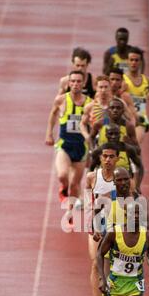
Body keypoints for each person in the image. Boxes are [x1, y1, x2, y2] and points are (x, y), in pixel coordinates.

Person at [45, 70, 92, 204]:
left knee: (75, 184)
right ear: (69, 83)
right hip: (64, 145)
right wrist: (49, 133)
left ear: (83, 84)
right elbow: (53, 114)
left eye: (78, 81)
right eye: (73, 81)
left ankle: (72, 215)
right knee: (62, 175)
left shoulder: (90, 103)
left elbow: (94, 125)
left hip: (81, 147)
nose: (75, 84)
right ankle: (63, 189)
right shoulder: (61, 100)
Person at [85, 143, 119, 296]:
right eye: (104, 156)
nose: (107, 159)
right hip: (97, 226)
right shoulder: (91, 177)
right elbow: (88, 204)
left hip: (116, 227)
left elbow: (129, 202)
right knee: (95, 263)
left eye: (111, 156)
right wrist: (93, 227)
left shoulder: (123, 178)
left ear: (117, 159)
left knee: (111, 266)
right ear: (100, 158)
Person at [89, 124, 143, 193]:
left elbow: (140, 166)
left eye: (116, 134)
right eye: (110, 134)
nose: (113, 136)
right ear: (106, 135)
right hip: (106, 183)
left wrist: (138, 185)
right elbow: (91, 168)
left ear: (120, 134)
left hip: (124, 184)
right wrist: (92, 183)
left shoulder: (128, 149)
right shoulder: (100, 151)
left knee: (134, 198)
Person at [122, 47, 149, 145]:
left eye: (136, 60)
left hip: (141, 119)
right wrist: (121, 91)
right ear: (127, 61)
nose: (133, 62)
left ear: (140, 62)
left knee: (135, 144)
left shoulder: (147, 80)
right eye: (131, 60)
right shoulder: (122, 79)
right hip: (126, 118)